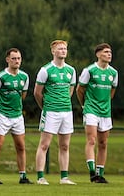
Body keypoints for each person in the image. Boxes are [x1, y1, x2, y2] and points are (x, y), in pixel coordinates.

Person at [33, 39, 76, 185]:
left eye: (65, 48)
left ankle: (64, 177)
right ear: (53, 51)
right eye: (60, 49)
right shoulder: (46, 70)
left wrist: (63, 102)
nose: (63, 51)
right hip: (51, 111)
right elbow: (37, 93)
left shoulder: (71, 70)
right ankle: (40, 177)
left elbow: (71, 90)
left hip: (66, 111)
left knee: (64, 145)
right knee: (44, 144)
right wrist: (45, 106)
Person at [0, 48, 31, 185]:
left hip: (17, 116)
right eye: (13, 58)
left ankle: (23, 176)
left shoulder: (24, 77)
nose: (16, 61)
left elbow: (22, 95)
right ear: (7, 60)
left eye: (18, 58)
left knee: (21, 146)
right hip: (3, 116)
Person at [77, 43, 117, 184]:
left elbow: (112, 91)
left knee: (103, 143)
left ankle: (100, 174)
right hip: (91, 110)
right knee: (92, 140)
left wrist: (105, 103)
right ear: (98, 54)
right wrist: (85, 105)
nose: (109, 54)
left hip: (105, 112)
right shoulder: (90, 70)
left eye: (110, 52)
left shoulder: (113, 73)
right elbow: (80, 90)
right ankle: (92, 172)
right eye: (106, 52)